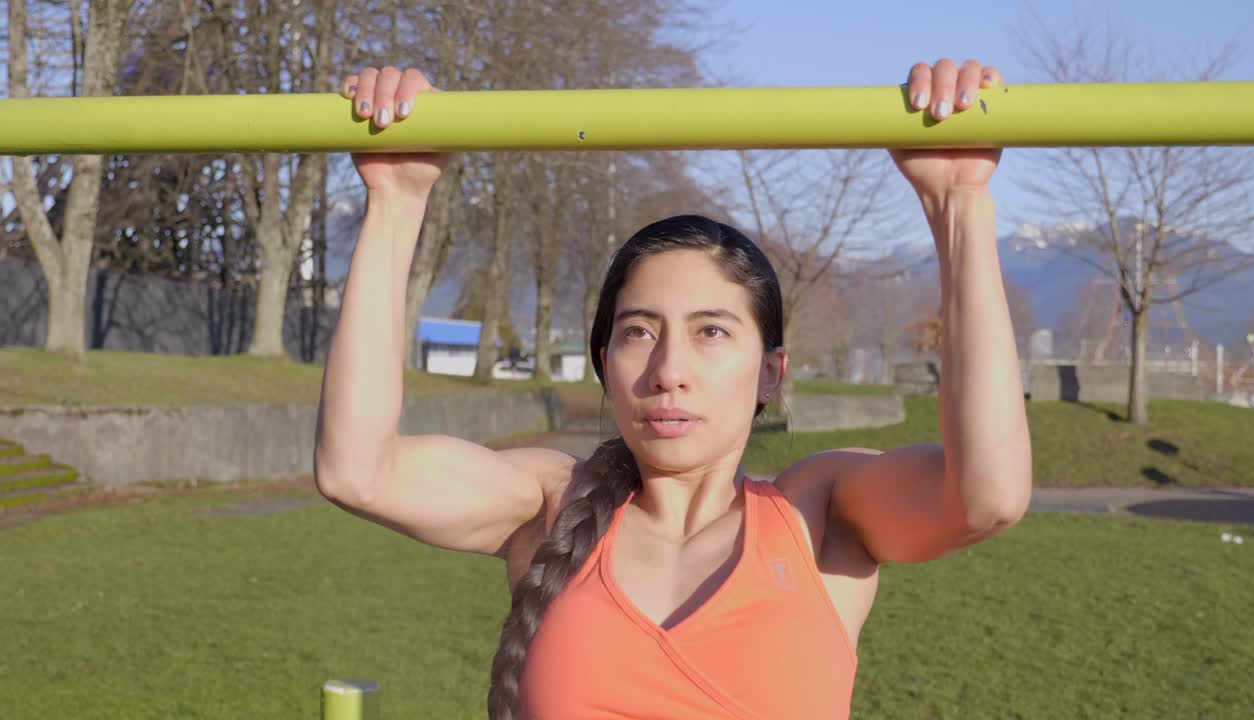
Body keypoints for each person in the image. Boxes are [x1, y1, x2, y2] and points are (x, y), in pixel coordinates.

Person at [315, 58, 1032, 720]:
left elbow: (986, 494)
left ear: (770, 371)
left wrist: (959, 205)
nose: (669, 370)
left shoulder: (820, 518)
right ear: (605, 361)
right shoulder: (549, 508)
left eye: (712, 331)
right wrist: (397, 200)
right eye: (639, 331)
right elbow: (359, 469)